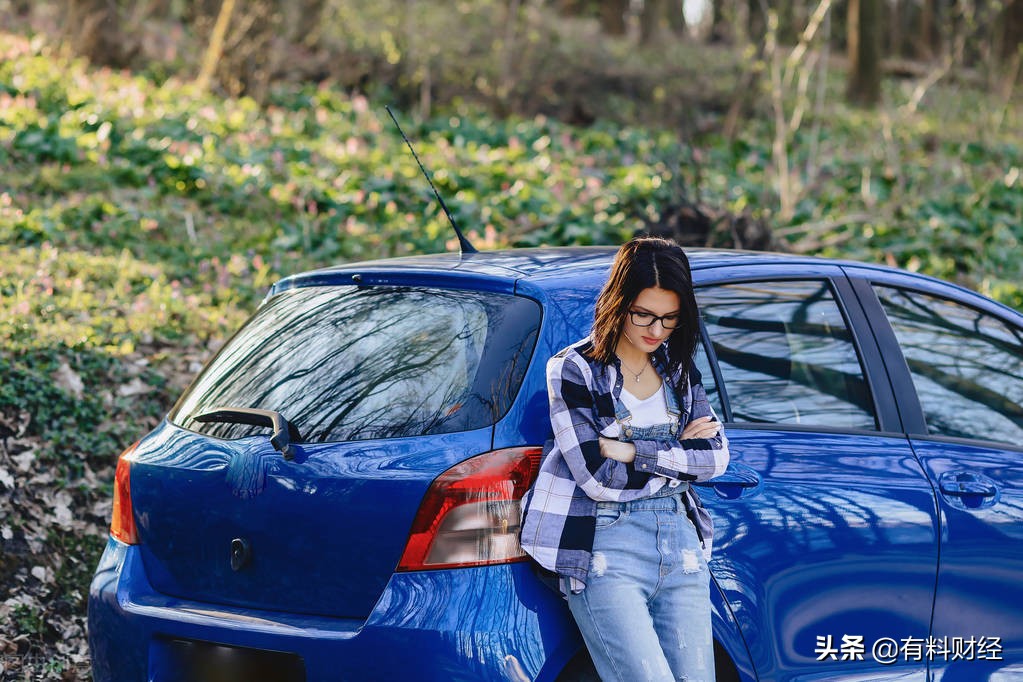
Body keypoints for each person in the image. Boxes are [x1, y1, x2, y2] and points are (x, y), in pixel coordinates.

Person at [520, 236, 729, 682]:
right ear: (619, 302)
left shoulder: (678, 369)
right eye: (644, 315)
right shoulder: (575, 369)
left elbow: (716, 459)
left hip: (682, 546)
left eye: (669, 319)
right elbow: (598, 478)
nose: (656, 331)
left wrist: (633, 451)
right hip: (604, 547)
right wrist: (678, 459)